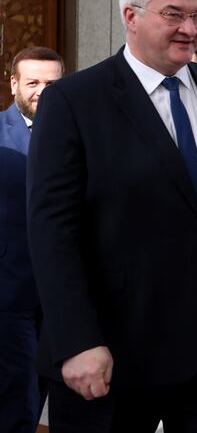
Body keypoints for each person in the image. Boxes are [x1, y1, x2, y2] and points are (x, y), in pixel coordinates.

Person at [26, 0, 197, 432]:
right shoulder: (74, 101)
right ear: (131, 16)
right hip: (112, 358)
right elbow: (52, 232)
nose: (190, 29)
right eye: (173, 14)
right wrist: (76, 340)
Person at [0, 46, 62, 432]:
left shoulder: (77, 133)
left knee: (43, 393)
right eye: (33, 82)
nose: (42, 90)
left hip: (62, 295)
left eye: (52, 83)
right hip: (10, 293)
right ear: (14, 84)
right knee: (17, 399)